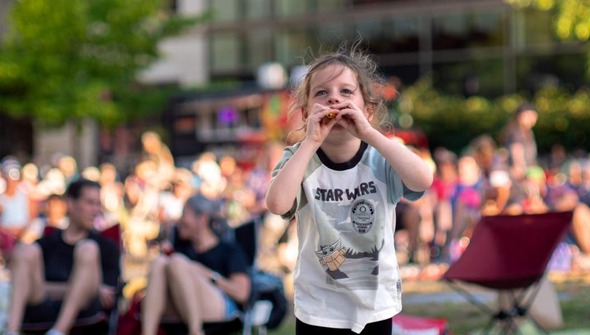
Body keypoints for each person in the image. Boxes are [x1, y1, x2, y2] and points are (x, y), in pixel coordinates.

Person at [265, 43, 433, 335]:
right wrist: (310, 142)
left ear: (367, 109)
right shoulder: (300, 158)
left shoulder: (382, 157)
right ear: (306, 113)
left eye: (346, 92)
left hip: (375, 302)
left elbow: (422, 180)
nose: (334, 99)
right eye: (322, 93)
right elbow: (277, 204)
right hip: (319, 306)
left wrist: (369, 133)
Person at [5, 178, 120, 335]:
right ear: (71, 204)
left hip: (86, 316)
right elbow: (31, 287)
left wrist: (51, 288)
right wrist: (80, 288)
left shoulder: (106, 247)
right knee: (25, 250)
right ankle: (11, 331)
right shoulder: (46, 244)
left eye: (98, 204)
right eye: (90, 203)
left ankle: (58, 331)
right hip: (41, 311)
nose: (96, 210)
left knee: (87, 248)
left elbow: (106, 297)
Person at [140, 194, 251, 335]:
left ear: (202, 218)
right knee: (159, 262)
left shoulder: (228, 250)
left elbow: (242, 293)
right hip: (178, 307)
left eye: (185, 214)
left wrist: (207, 275)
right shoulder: (182, 247)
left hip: (220, 308)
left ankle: (195, 331)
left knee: (177, 262)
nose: (179, 221)